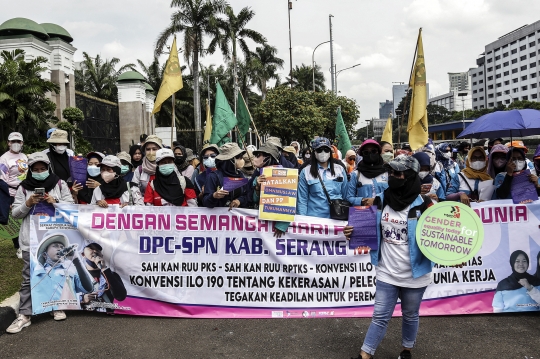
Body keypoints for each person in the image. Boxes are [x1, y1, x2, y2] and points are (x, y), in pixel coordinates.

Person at [344, 155, 434, 359]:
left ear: (410, 176)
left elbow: (442, 238)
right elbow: (365, 230)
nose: (393, 176)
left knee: (410, 315)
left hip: (416, 273)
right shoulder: (381, 200)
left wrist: (455, 255)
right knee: (380, 316)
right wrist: (351, 232)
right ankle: (365, 355)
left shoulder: (426, 206)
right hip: (386, 270)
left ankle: (406, 351)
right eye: (391, 172)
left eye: (398, 173)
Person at [6, 152, 76, 333]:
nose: (39, 172)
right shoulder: (23, 188)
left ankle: (55, 306)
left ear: (48, 168)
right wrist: (28, 203)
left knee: (54, 273)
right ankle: (24, 315)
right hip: (31, 239)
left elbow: (71, 207)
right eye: (35, 169)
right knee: (29, 277)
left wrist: (56, 201)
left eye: (42, 169)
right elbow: (15, 214)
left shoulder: (59, 184)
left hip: (53, 238)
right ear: (30, 170)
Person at [297, 137, 348, 218]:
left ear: (330, 152)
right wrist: (302, 221)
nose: (323, 152)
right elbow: (302, 200)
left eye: (326, 150)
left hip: (337, 219)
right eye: (319, 150)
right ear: (314, 152)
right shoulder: (305, 172)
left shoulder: (340, 170)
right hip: (314, 220)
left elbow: (346, 196)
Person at [249, 143, 289, 236]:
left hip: (278, 226)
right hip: (261, 224)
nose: (255, 158)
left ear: (268, 157)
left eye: (258, 155)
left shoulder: (286, 175)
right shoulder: (257, 175)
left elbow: (291, 201)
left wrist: (282, 225)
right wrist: (257, 188)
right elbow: (255, 200)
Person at [0, 132, 28, 258]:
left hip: (25, 191)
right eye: (13, 141)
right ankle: (18, 247)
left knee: (25, 218)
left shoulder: (25, 156)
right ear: (8, 143)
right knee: (15, 220)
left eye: (18, 141)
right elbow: (2, 180)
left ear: (22, 143)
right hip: (11, 192)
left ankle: (26, 244)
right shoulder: (4, 158)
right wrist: (8, 200)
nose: (16, 144)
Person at [80, 242, 127, 312]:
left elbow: (121, 297)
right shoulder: (77, 275)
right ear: (83, 254)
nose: (95, 251)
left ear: (101, 255)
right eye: (91, 248)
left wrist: (104, 269)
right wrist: (82, 299)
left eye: (97, 249)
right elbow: (66, 298)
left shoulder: (112, 274)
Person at [203, 142, 249, 209]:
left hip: (236, 218)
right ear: (231, 160)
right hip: (218, 217)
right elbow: (205, 202)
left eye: (242, 157)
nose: (242, 159)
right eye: (239, 157)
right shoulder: (213, 177)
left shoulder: (240, 175)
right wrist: (214, 196)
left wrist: (239, 201)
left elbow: (246, 195)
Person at [346, 140, 388, 207]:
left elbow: (394, 195)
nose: (370, 154)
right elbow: (349, 197)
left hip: (384, 214)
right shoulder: (356, 174)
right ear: (362, 155)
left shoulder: (387, 172)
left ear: (379, 152)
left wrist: (377, 200)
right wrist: (363, 201)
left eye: (374, 151)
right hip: (365, 214)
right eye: (366, 152)